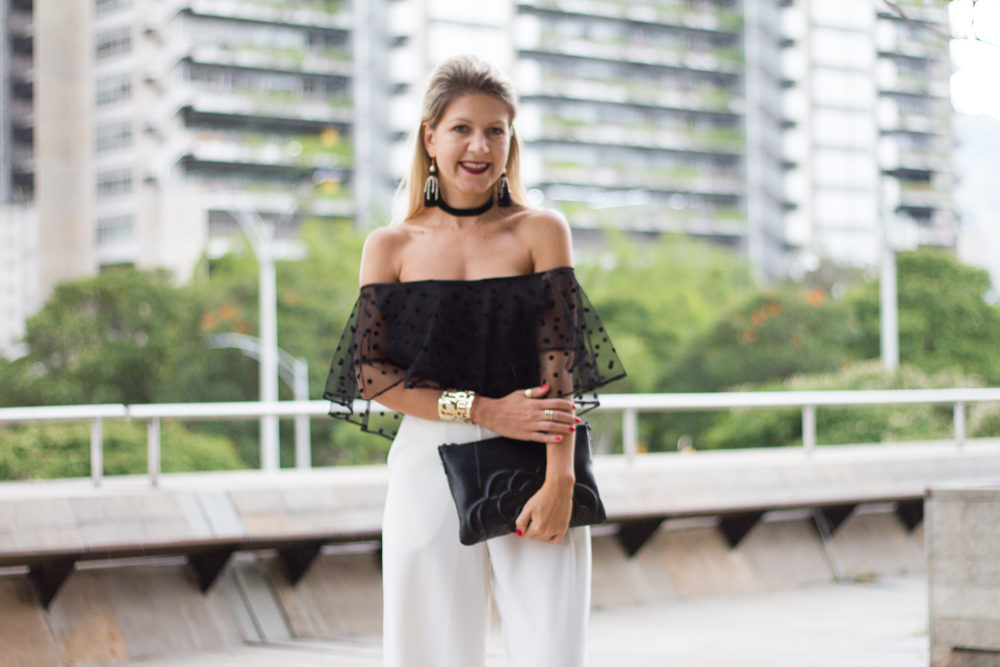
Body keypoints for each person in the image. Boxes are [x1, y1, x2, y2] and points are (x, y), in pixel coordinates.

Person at [324, 54, 625, 667]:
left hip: (536, 458)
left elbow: (559, 363)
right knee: (428, 655)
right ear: (430, 138)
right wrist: (483, 409)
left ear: (511, 141)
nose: (480, 147)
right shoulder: (390, 246)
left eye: (495, 130)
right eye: (462, 128)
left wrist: (561, 480)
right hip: (426, 464)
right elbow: (372, 376)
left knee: (551, 653)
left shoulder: (541, 231)